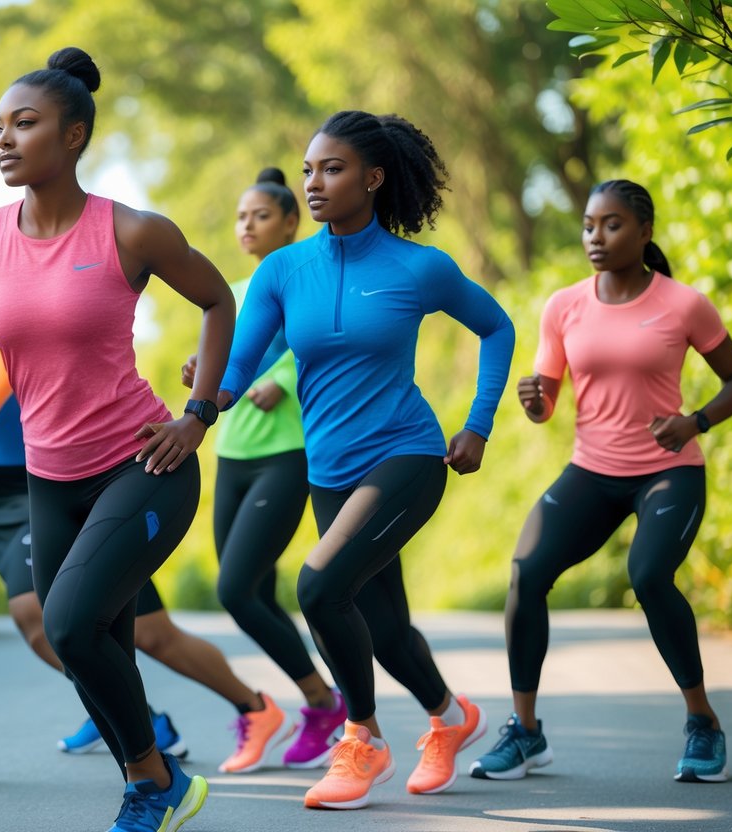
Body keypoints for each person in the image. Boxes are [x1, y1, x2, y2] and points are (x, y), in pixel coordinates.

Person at [0, 47, 233, 832]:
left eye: (24, 124)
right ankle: (154, 777)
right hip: (50, 478)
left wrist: (198, 414)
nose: (3, 139)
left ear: (73, 136)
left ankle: (152, 782)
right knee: (77, 636)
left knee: (68, 623)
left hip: (142, 463)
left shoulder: (132, 232)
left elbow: (216, 300)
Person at [214, 110, 514, 809]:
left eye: (332, 169)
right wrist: (206, 394)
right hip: (330, 469)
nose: (314, 183)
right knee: (380, 629)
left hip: (407, 455)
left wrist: (476, 424)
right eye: (309, 170)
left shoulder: (418, 267)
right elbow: (243, 362)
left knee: (317, 588)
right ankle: (449, 716)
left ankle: (362, 738)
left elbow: (495, 326)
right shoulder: (284, 270)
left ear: (372, 178)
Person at [470, 179, 732, 784]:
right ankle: (526, 732)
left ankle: (703, 722)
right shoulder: (565, 305)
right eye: (590, 225)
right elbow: (548, 402)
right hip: (593, 469)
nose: (597, 236)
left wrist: (693, 421)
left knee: (648, 576)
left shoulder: (683, 304)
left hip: (669, 470)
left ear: (644, 232)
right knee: (526, 572)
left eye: (612, 225)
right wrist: (534, 401)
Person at [0, 343, 268, 761]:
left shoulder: (25, 315)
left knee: (145, 633)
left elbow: (1, 364)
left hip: (51, 495)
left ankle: (253, 707)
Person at [202, 167, 349, 774]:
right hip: (231, 454)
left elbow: (324, 348)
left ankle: (323, 702)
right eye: (241, 217)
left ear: (291, 222)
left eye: (260, 215)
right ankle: (293, 712)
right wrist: (200, 371)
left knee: (234, 589)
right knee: (254, 590)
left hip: (286, 454)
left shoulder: (306, 279)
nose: (247, 225)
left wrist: (279, 380)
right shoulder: (233, 290)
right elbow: (228, 360)